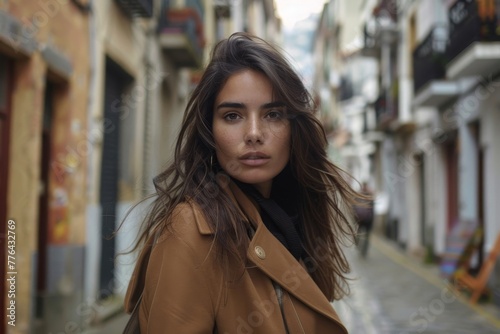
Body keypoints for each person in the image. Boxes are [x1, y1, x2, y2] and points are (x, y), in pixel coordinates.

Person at [124, 32, 363, 333]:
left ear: (294, 128)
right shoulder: (191, 229)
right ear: (210, 130)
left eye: (273, 114)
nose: (253, 133)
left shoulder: (294, 219)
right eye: (233, 115)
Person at [353, 182, 374, 258]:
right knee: (365, 236)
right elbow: (373, 209)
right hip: (367, 220)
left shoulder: (358, 195)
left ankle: (359, 247)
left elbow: (354, 207)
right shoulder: (370, 196)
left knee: (360, 234)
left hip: (361, 219)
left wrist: (355, 218)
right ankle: (363, 250)